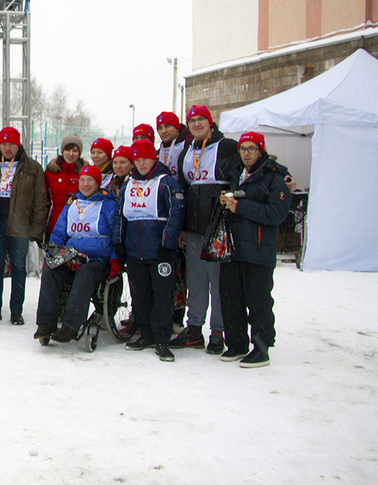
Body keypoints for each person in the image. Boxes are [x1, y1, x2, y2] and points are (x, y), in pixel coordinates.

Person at [218, 132, 291, 368]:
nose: (246, 153)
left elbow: (276, 214)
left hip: (259, 249)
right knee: (231, 298)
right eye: (242, 149)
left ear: (261, 150)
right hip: (234, 248)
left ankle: (261, 348)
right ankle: (237, 344)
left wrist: (240, 206)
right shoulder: (237, 173)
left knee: (258, 300)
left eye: (251, 148)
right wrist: (226, 201)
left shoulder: (275, 177)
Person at [171, 104, 240, 354]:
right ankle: (194, 330)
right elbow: (181, 189)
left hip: (217, 226)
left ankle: (218, 331)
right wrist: (181, 228)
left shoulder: (227, 146)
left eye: (202, 119)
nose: (197, 124)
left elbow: (252, 164)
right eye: (192, 121)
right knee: (196, 282)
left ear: (210, 122)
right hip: (193, 227)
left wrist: (284, 177)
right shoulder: (186, 151)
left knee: (217, 282)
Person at [112, 140, 185, 362]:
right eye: (138, 159)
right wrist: (119, 241)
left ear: (154, 159)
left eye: (145, 158)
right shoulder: (128, 184)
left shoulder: (167, 183)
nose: (141, 163)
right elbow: (120, 215)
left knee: (162, 296)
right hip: (135, 250)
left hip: (160, 251)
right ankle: (146, 333)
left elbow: (176, 214)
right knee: (140, 295)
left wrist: (167, 243)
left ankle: (163, 338)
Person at [34, 165, 121, 343]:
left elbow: (116, 237)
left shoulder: (109, 205)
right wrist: (54, 251)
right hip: (73, 256)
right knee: (51, 270)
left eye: (90, 180)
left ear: (98, 183)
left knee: (85, 274)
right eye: (82, 180)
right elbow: (59, 232)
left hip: (98, 259)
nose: (85, 184)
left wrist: (115, 261)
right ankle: (46, 323)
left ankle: (71, 326)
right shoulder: (72, 204)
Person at [0, 126, 46, 325]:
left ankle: (16, 311)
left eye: (11, 144)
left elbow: (40, 201)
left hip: (20, 224)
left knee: (18, 268)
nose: (7, 148)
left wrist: (36, 230)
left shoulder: (32, 168)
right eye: (4, 144)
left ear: (18, 144)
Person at [44, 134, 85, 239]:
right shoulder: (51, 171)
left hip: (76, 227)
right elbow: (44, 200)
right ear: (62, 151)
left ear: (79, 153)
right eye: (68, 150)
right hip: (53, 226)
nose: (71, 154)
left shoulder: (84, 174)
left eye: (75, 151)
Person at [156, 111, 191, 179]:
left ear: (177, 127)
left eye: (167, 126)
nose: (163, 131)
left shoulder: (189, 145)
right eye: (160, 128)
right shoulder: (160, 151)